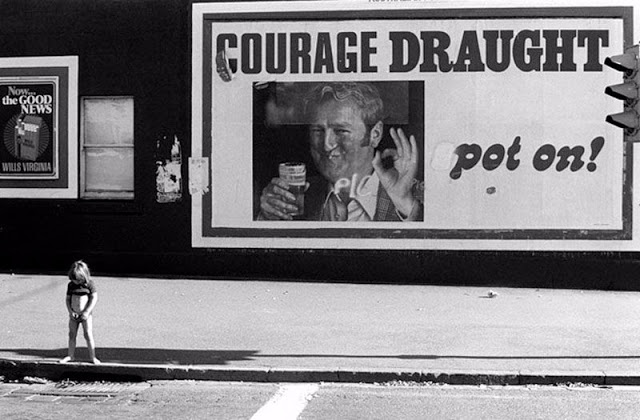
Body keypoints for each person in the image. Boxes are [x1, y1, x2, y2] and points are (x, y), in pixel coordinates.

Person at [259, 82, 423, 221]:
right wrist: (267, 217)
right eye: (318, 130)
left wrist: (406, 207)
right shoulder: (297, 198)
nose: (327, 145)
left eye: (341, 131)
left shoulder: (416, 196)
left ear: (375, 134)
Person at [59, 260, 100, 364]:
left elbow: (94, 298)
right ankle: (70, 355)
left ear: (83, 276)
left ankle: (93, 356)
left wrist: (87, 312)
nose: (75, 282)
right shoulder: (71, 285)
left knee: (88, 334)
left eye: (77, 280)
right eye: (73, 280)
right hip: (74, 314)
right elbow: (68, 299)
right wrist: (70, 311)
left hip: (86, 314)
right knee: (72, 334)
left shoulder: (89, 284)